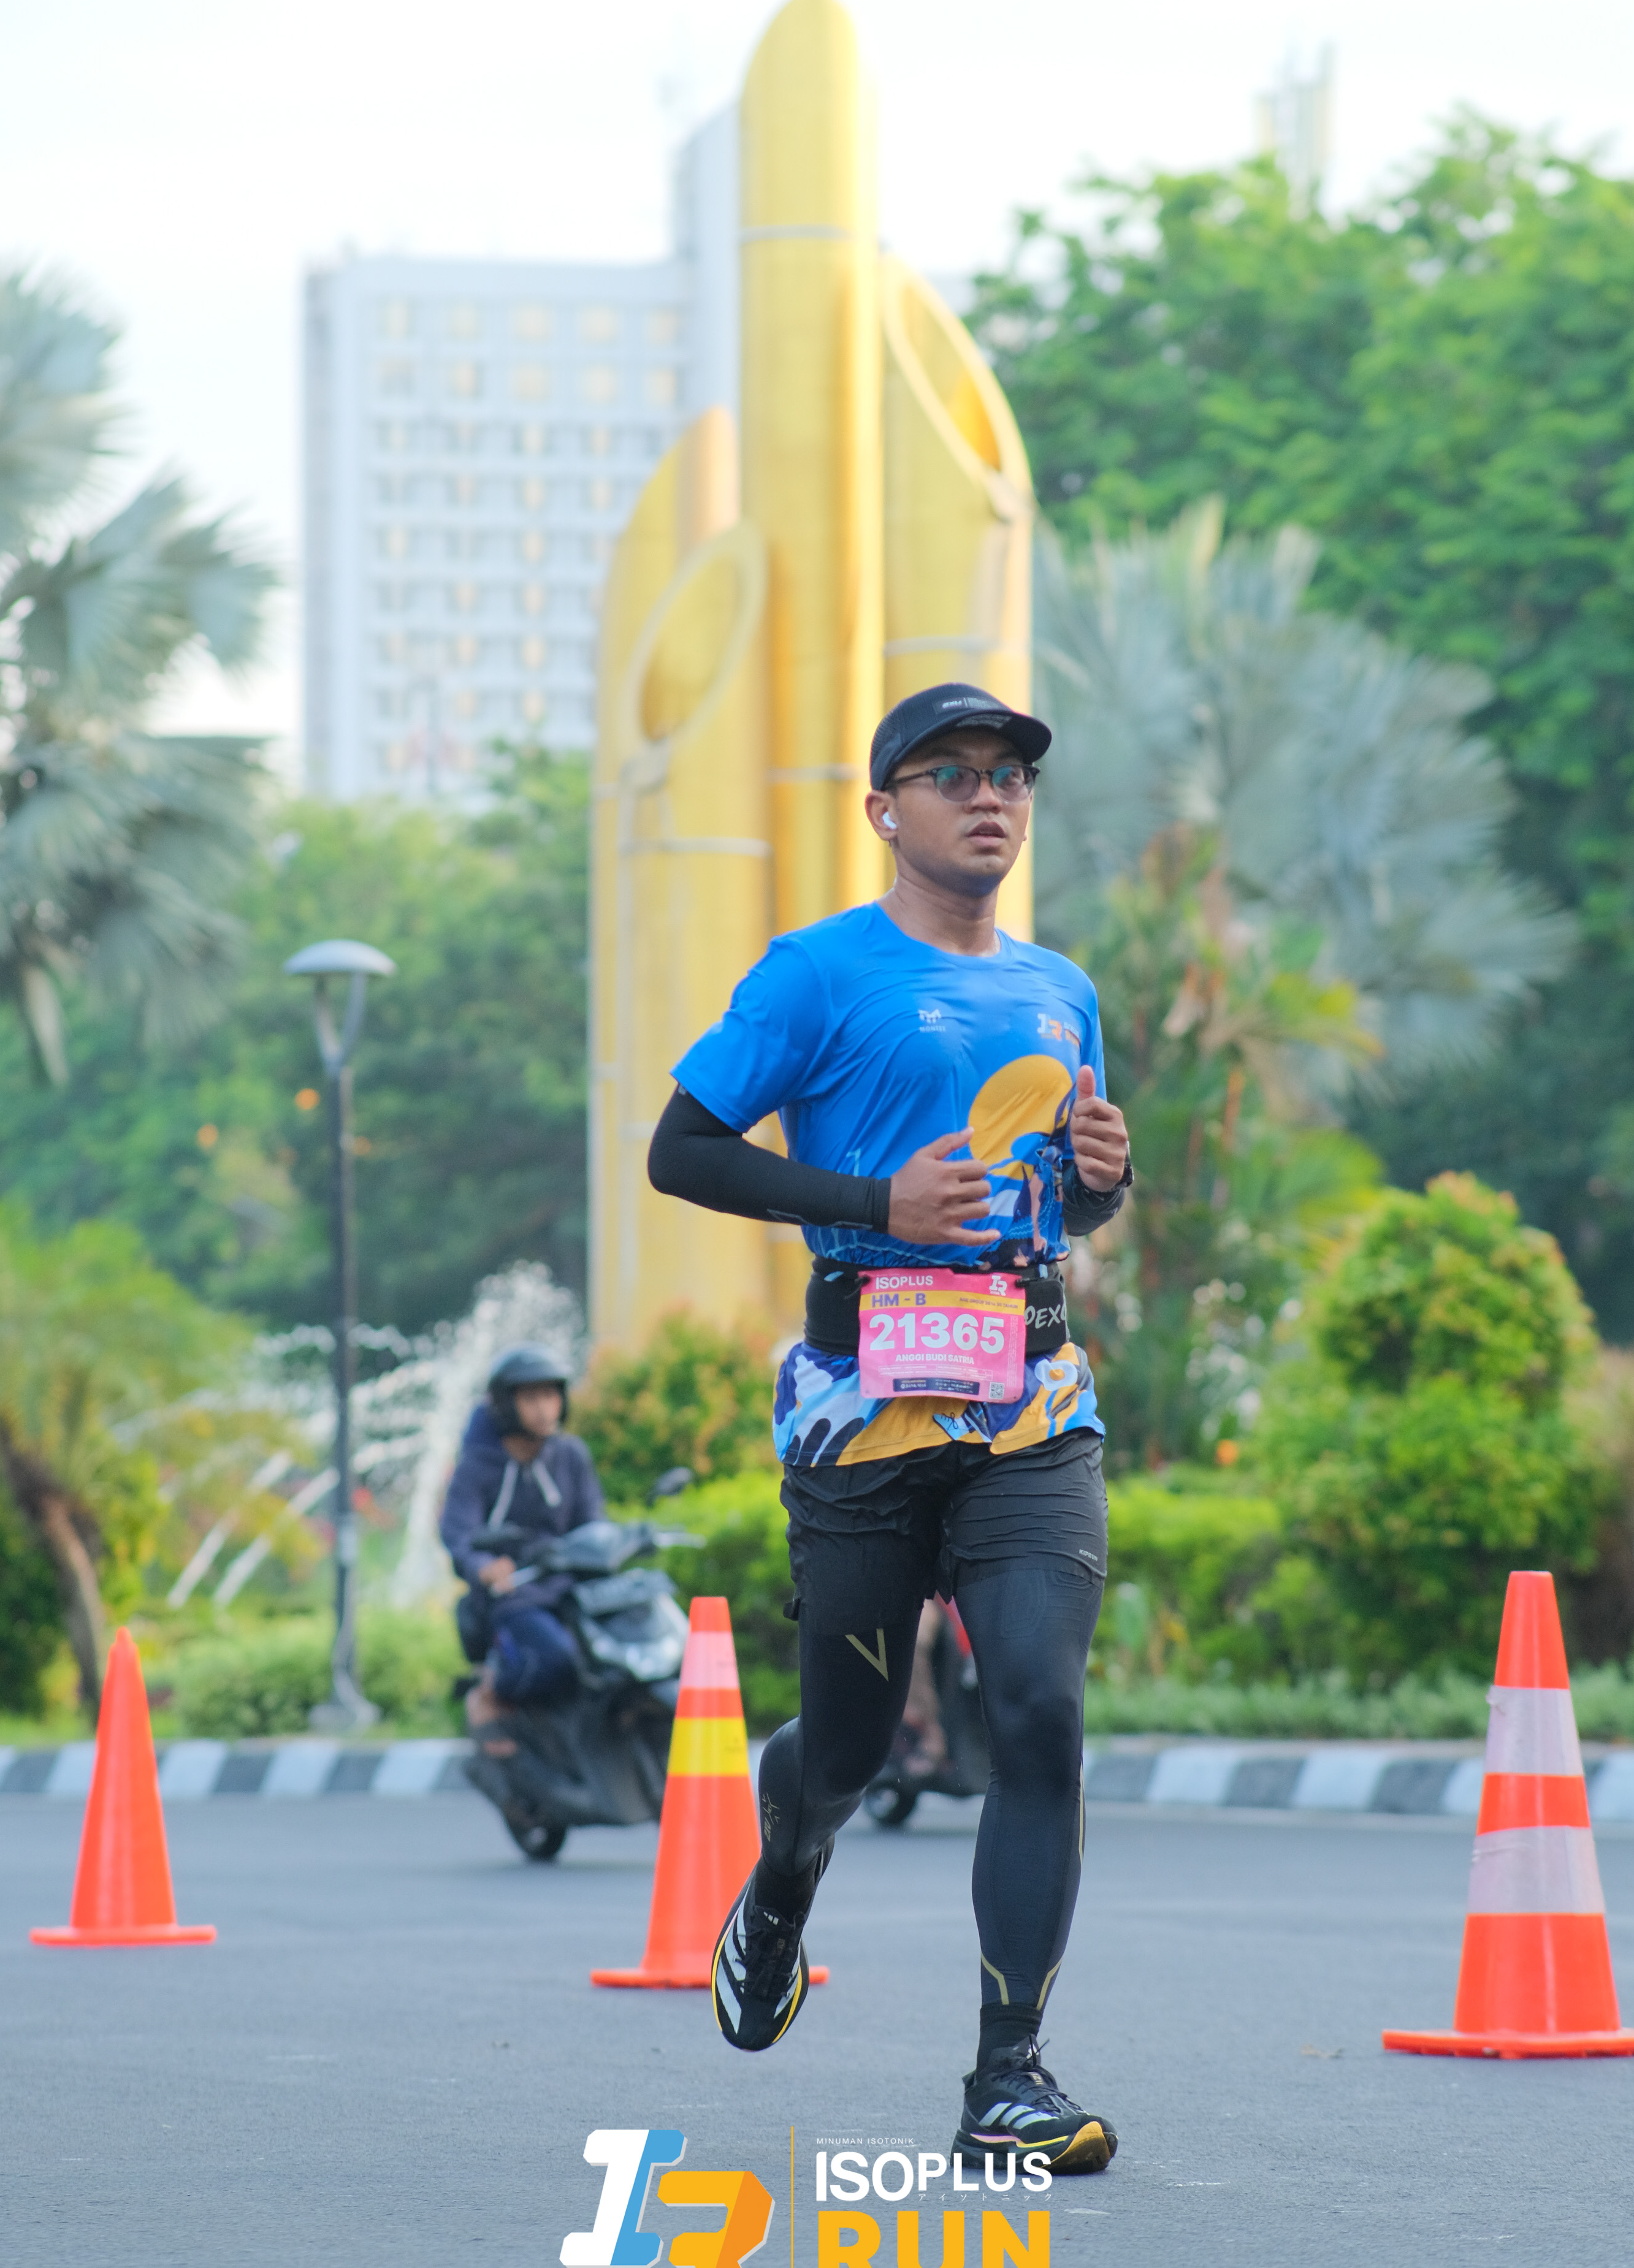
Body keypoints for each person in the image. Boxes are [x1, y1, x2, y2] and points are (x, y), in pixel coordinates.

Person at [647, 682, 1133, 2175]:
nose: (987, 796)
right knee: (850, 1744)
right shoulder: (815, 972)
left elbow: (1060, 1204)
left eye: (1008, 776)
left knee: (1036, 1711)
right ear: (884, 810)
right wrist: (872, 1204)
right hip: (861, 1403)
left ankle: (1007, 2076)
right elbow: (682, 1150)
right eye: (950, 773)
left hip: (1030, 1401)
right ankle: (785, 1868)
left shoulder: (1059, 990)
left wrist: (1100, 1180)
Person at [440, 1345, 605, 1738]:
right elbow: (457, 1534)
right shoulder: (477, 1466)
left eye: (550, 1395)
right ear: (504, 1405)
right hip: (515, 1593)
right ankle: (489, 1693)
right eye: (531, 1398)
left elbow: (594, 1522)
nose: (544, 1408)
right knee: (558, 1659)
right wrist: (484, 1567)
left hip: (570, 1586)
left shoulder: (571, 1455)